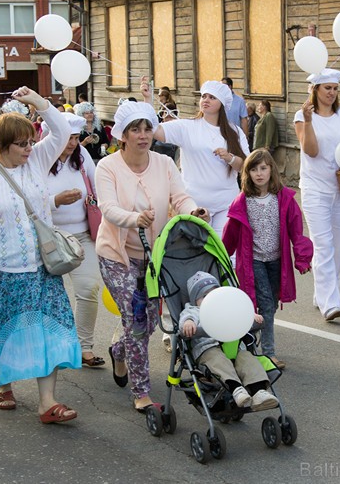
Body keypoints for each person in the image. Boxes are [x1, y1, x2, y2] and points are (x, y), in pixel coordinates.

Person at [0, 86, 81, 422]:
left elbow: (61, 131)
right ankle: (4, 385)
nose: (30, 148)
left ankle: (47, 402)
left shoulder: (38, 161)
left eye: (30, 141)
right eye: (22, 144)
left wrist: (39, 104)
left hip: (42, 268)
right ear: (2, 145)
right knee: (4, 332)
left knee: (51, 330)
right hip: (1, 271)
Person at [95, 100, 210, 413]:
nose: (143, 135)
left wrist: (194, 212)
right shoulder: (107, 167)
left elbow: (180, 197)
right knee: (135, 321)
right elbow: (107, 208)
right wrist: (135, 219)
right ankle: (141, 393)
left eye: (147, 128)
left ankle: (120, 352)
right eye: (136, 129)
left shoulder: (164, 163)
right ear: (123, 135)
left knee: (149, 325)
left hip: (154, 256)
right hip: (117, 255)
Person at [222, 149, 313, 370]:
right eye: (253, 169)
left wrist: (302, 258)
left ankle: (249, 345)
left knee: (269, 306)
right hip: (253, 261)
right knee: (263, 302)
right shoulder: (242, 201)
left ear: (271, 169)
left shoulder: (284, 199)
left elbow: (296, 231)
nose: (259, 174)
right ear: (247, 173)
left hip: (277, 260)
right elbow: (230, 234)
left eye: (263, 168)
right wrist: (221, 257)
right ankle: (269, 354)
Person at [141, 77, 248, 236]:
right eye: (204, 96)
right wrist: (148, 99)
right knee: (196, 253)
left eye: (212, 97)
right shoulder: (187, 126)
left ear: (222, 104)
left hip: (226, 204)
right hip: (193, 204)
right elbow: (154, 130)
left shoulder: (235, 132)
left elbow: (245, 166)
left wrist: (230, 158)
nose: (206, 100)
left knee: (225, 252)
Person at [293, 68, 340, 321]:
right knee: (323, 245)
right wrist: (309, 122)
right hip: (315, 188)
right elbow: (310, 151)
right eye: (327, 88)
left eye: (335, 88)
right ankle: (330, 302)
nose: (332, 92)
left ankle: (322, 294)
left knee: (339, 246)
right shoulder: (303, 116)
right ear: (315, 90)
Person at [46, 112, 105, 368]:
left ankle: (85, 347)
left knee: (89, 289)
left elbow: (99, 190)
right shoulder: (39, 159)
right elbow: (26, 199)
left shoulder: (82, 160)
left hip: (82, 236)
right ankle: (53, 348)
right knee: (49, 298)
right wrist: (55, 201)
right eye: (67, 138)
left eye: (75, 138)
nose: (72, 143)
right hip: (49, 238)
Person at [179, 271, 279, 411]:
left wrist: (251, 315)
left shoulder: (226, 307)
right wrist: (189, 323)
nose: (210, 299)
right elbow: (186, 318)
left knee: (248, 358)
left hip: (234, 347)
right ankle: (236, 389)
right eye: (205, 296)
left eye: (214, 294)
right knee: (217, 360)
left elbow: (240, 312)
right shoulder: (194, 310)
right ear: (195, 299)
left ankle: (259, 391)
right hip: (208, 350)